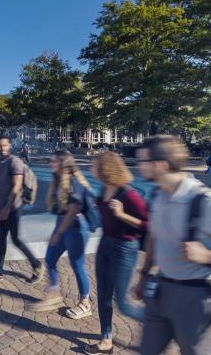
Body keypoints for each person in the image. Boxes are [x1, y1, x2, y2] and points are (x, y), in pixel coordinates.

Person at [134, 135, 211, 355]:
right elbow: (153, 237)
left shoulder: (203, 201)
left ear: (161, 165)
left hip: (195, 299)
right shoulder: (157, 195)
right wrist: (144, 275)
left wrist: (205, 256)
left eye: (143, 161)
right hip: (160, 290)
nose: (139, 166)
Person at [84, 152, 147, 354]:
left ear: (106, 169)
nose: (90, 168)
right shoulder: (103, 191)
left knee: (122, 303)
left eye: (94, 165)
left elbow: (149, 225)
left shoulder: (128, 194)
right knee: (103, 296)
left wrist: (122, 215)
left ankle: (163, 323)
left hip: (124, 249)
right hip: (105, 246)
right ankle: (106, 341)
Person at [29, 150, 92, 319]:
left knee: (77, 266)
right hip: (63, 226)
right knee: (50, 259)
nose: (52, 164)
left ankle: (85, 303)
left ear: (64, 164)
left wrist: (58, 233)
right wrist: (57, 232)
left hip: (77, 229)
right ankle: (54, 295)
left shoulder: (73, 183)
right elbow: (61, 212)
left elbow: (72, 211)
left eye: (55, 162)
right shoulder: (57, 181)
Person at [0, 134, 44, 283]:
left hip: (12, 209)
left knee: (16, 239)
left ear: (10, 145)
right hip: (1, 209)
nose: (2, 148)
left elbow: (16, 186)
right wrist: (1, 208)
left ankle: (37, 265)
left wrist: (7, 208)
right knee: (1, 241)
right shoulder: (0, 162)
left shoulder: (15, 162)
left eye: (5, 145)